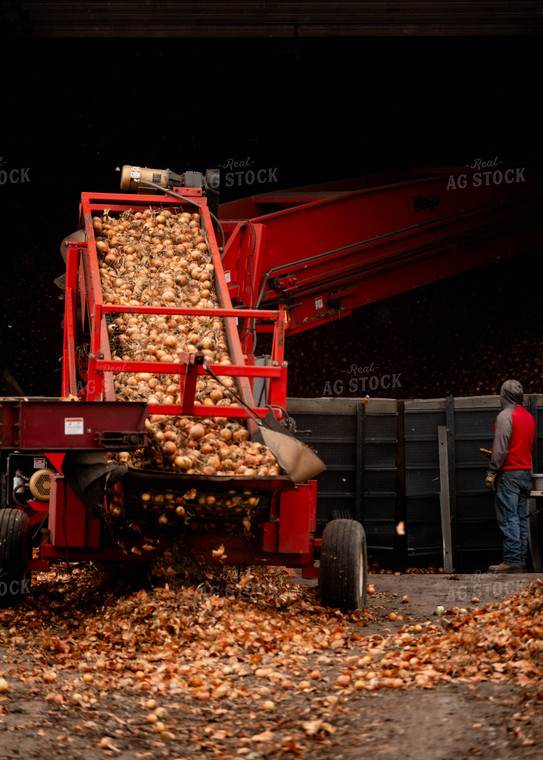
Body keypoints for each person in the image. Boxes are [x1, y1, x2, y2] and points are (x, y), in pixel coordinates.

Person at [485, 379, 535, 573]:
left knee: (509, 518)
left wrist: (492, 471)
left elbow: (500, 449)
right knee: (521, 518)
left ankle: (512, 560)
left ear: (504, 395)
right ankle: (520, 561)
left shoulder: (505, 416)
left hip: (510, 475)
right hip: (525, 474)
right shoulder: (529, 417)